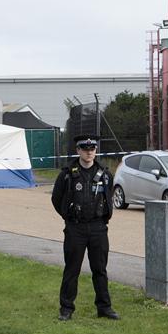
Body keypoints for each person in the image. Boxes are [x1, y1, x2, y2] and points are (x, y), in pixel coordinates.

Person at [51, 134, 119, 321]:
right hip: (76, 229)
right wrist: (69, 216)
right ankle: (66, 308)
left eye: (92, 149)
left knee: (100, 269)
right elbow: (56, 199)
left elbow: (108, 197)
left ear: (96, 151)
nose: (89, 153)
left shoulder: (105, 174)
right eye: (85, 149)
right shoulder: (67, 174)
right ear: (78, 150)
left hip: (98, 228)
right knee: (72, 269)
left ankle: (104, 307)